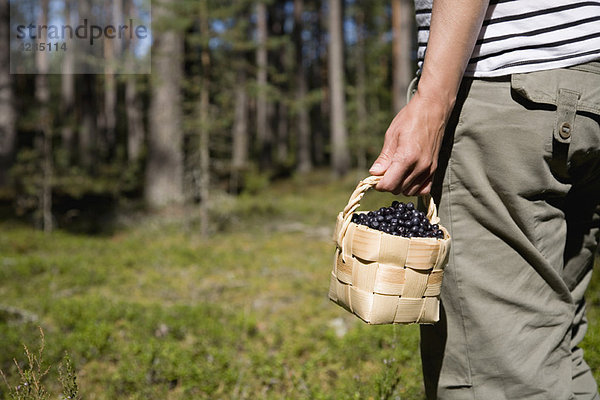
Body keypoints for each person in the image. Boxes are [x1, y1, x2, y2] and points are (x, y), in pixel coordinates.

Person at [370, 0, 600, 398]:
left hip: (509, 95)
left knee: (498, 375)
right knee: (555, 347)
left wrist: (432, 100)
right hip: (588, 93)